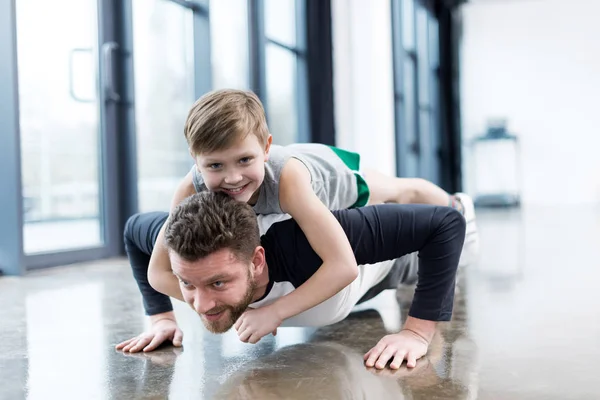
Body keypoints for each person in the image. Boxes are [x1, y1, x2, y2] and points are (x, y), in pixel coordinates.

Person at [146, 88, 476, 344]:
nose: (232, 178)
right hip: (291, 177)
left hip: (331, 175)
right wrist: (232, 306)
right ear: (196, 159)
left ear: (265, 148)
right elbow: (159, 272)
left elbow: (343, 265)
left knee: (404, 193)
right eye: (216, 165)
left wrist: (274, 312)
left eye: (244, 160)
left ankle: (454, 204)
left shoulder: (288, 183)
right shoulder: (190, 189)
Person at [118, 191, 467, 370]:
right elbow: (134, 230)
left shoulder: (303, 241)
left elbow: (444, 225)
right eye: (188, 284)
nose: (202, 305)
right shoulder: (178, 245)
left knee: (454, 244)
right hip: (324, 307)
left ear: (257, 260)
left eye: (219, 283)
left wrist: (418, 332)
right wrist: (161, 316)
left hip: (382, 271)